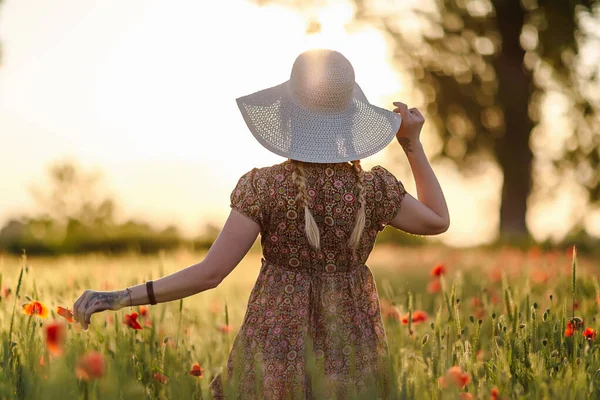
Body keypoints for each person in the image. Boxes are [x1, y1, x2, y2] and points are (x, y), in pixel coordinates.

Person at [72, 48, 450, 399]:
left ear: (287, 117)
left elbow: (209, 274)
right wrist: (411, 143)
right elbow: (437, 220)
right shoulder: (375, 189)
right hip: (353, 349)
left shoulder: (264, 188)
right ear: (353, 121)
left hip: (274, 351)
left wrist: (119, 297)